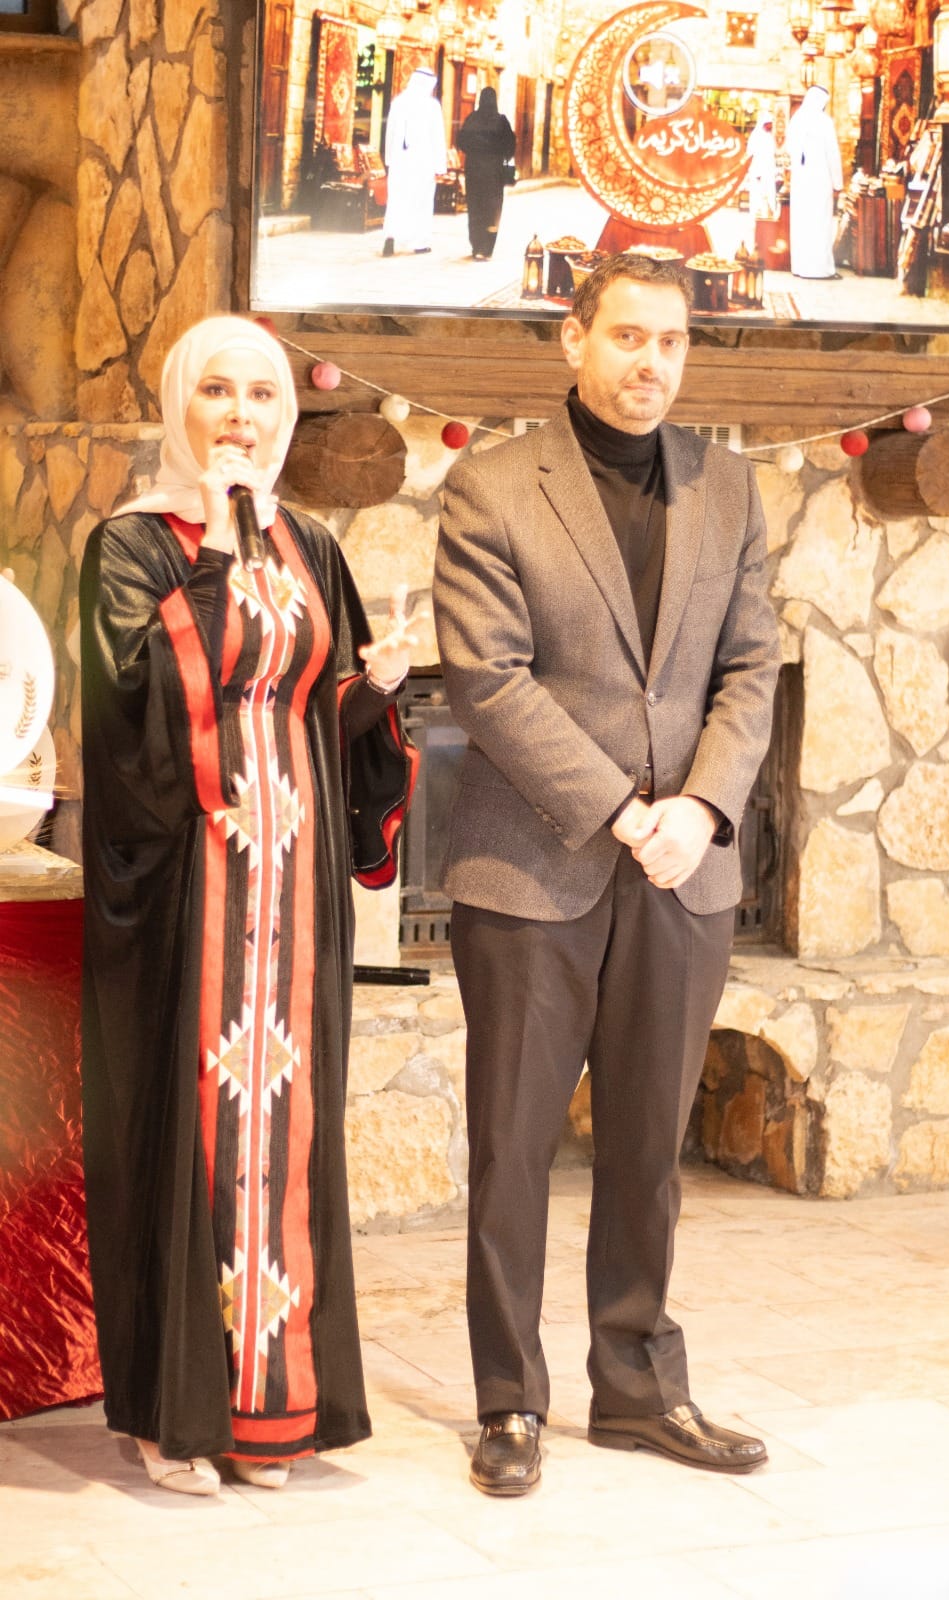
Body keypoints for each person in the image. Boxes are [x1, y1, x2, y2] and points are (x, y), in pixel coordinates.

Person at [433, 253, 780, 1497]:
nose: (650, 363)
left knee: (648, 1147)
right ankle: (509, 1400)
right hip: (534, 868)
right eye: (628, 335)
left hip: (684, 873)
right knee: (513, 1149)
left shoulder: (729, 485)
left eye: (671, 342)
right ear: (574, 337)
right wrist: (624, 810)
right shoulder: (490, 484)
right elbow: (487, 678)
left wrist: (702, 807)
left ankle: (637, 1387)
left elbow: (752, 667)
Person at [79, 315, 419, 1496]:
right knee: (184, 1144)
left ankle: (268, 1413)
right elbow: (130, 716)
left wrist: (373, 694)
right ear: (179, 405)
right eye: (216, 391)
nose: (240, 415)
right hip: (188, 895)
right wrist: (220, 552)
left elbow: (312, 709)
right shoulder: (133, 545)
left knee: (288, 1144)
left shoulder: (310, 542)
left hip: (295, 903)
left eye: (263, 394)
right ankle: (172, 1416)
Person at [381, 68, 448, 257]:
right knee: (421, 202)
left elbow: (390, 134)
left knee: (397, 200)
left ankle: (390, 238)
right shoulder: (432, 106)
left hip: (400, 162)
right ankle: (420, 243)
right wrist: (439, 166)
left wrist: (389, 159)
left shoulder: (398, 103)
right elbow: (437, 138)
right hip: (423, 163)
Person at [786, 84, 843, 278]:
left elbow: (790, 149)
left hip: (800, 182)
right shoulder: (824, 122)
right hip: (820, 181)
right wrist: (838, 184)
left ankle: (800, 268)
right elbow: (832, 154)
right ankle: (820, 269)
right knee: (820, 224)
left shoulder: (796, 120)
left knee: (801, 224)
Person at [455, 87, 516, 261]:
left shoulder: (472, 119)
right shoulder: (501, 121)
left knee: (475, 208)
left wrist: (476, 151)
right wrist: (498, 153)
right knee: (492, 210)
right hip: (494, 174)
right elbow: (510, 146)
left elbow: (461, 142)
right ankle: (487, 248)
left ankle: (476, 246)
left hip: (474, 172)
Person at [745, 109, 779, 243]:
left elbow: (771, 155)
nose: (770, 126)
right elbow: (751, 155)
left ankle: (769, 221)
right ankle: (755, 223)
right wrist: (757, 172)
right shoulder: (756, 136)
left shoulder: (769, 136)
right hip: (758, 173)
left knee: (770, 198)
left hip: (769, 173)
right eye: (768, 123)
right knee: (757, 199)